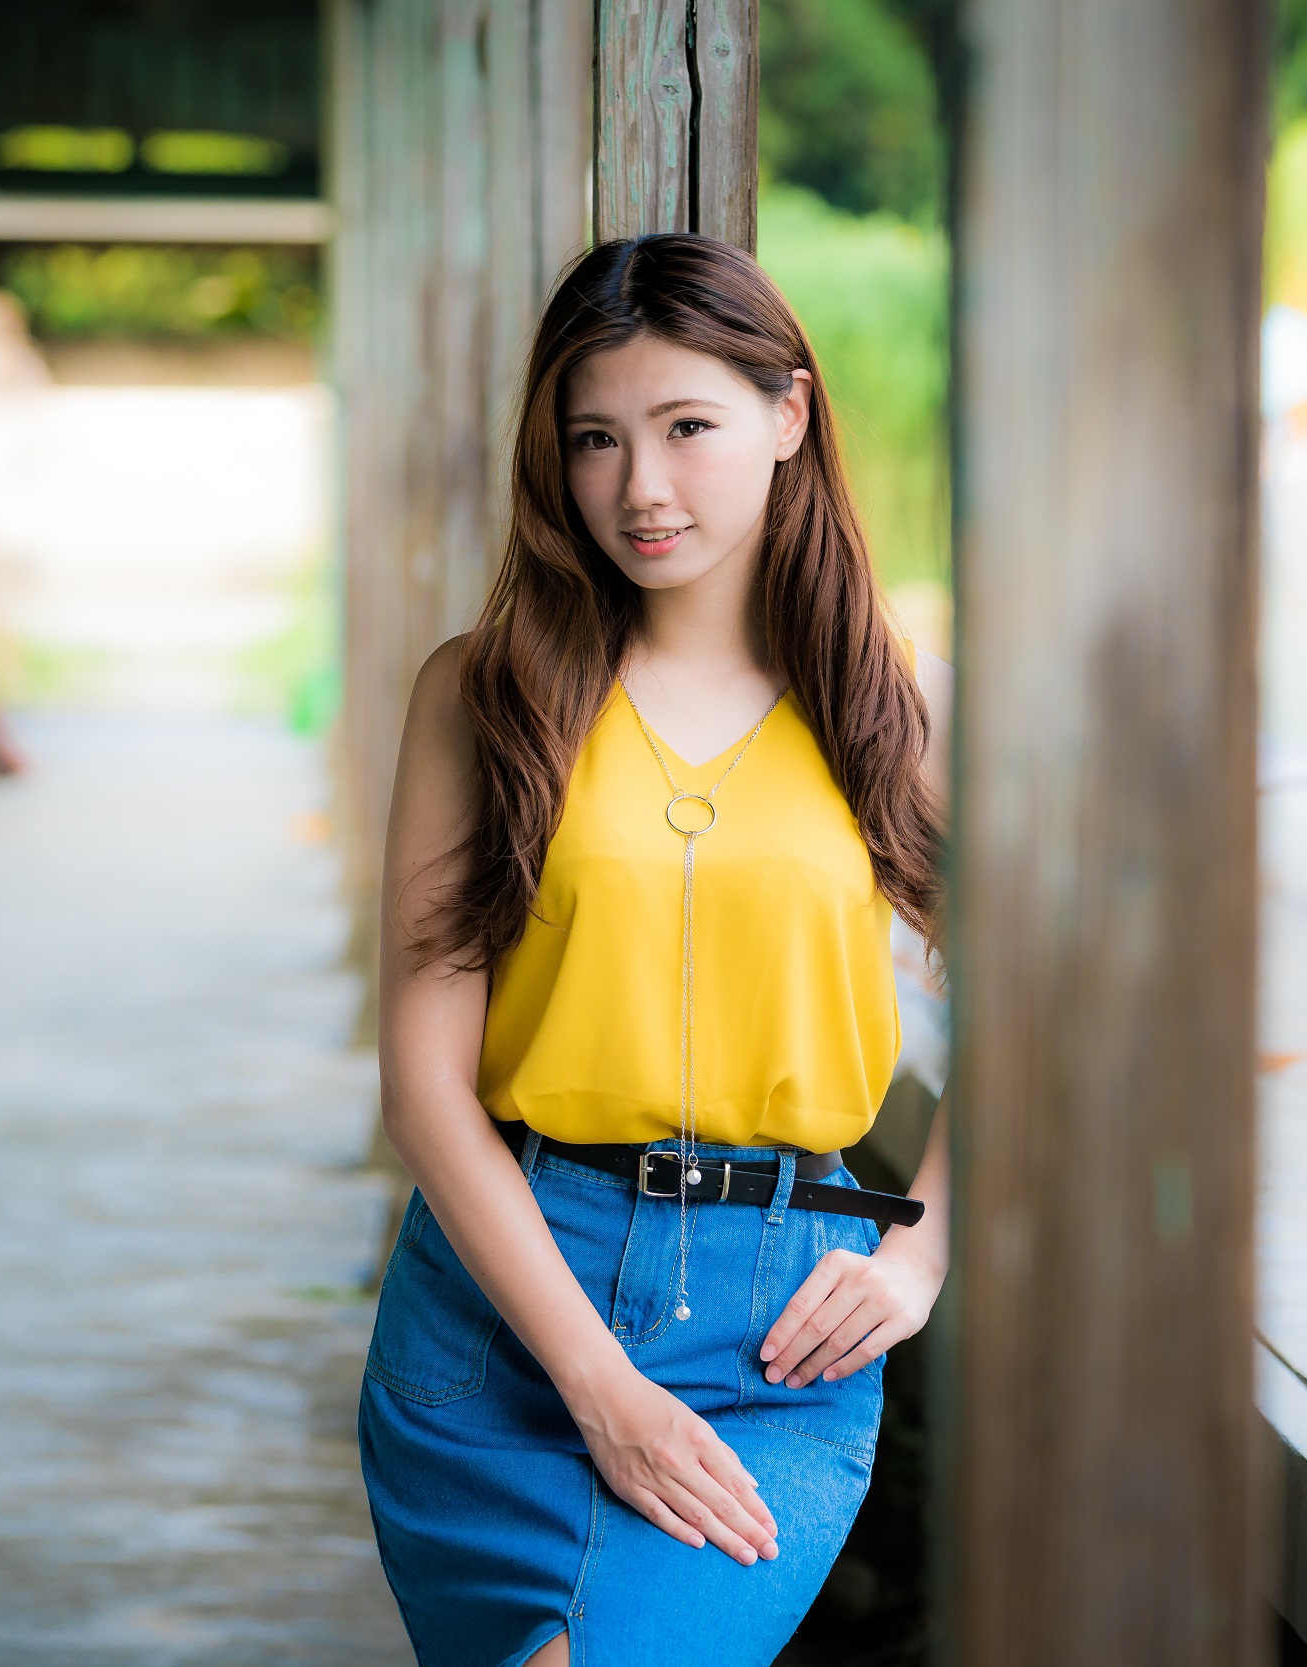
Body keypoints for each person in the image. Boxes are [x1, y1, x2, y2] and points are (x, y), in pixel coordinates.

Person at [361, 232, 953, 1667]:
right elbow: (427, 1080)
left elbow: (1058, 1005)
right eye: (597, 441)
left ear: (790, 417)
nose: (641, 487)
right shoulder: (485, 694)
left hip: (771, 1342)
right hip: (507, 1313)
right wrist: (599, 1389)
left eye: (688, 427)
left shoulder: (897, 705)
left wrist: (929, 1253)